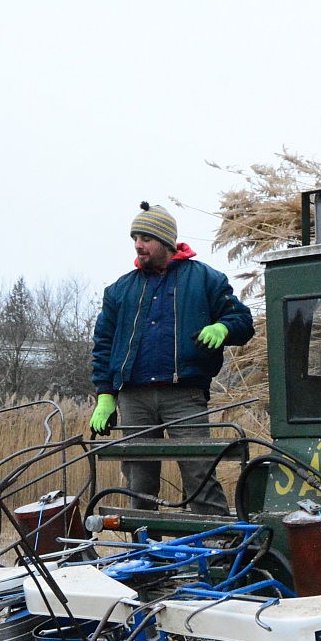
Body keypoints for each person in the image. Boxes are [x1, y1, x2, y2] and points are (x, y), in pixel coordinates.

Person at [90, 202, 255, 514]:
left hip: (185, 395)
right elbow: (103, 345)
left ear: (166, 241)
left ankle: (216, 545)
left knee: (199, 474)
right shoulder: (119, 291)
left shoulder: (206, 280)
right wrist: (105, 394)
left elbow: (243, 322)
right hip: (133, 398)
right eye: (135, 237)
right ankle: (145, 551)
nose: (138, 245)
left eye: (146, 238)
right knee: (138, 482)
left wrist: (223, 327)